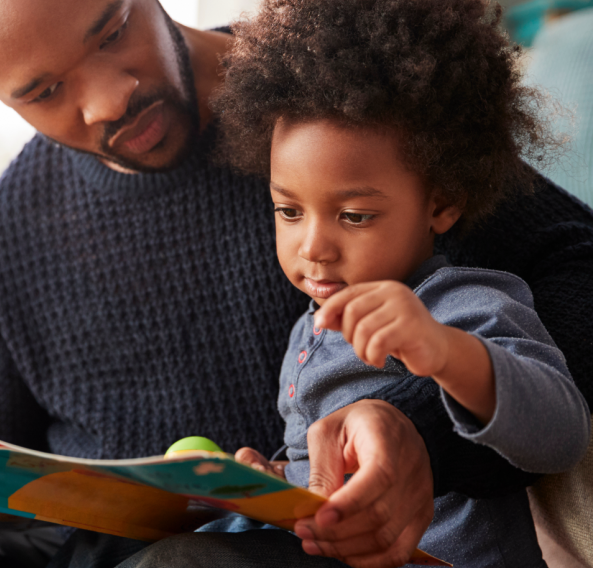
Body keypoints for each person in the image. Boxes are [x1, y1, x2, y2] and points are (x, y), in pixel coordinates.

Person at [0, 0, 592, 566]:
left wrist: (424, 432)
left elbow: (577, 266)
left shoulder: (342, 111)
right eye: (44, 90)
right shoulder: (0, 236)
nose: (108, 99)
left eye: (112, 30)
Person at [211, 0, 590, 565]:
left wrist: (444, 351)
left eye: (355, 216)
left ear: (441, 203)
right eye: (288, 211)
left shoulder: (464, 304)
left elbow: (560, 433)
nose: (312, 246)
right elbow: (327, 480)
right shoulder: (307, 336)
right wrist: (273, 480)